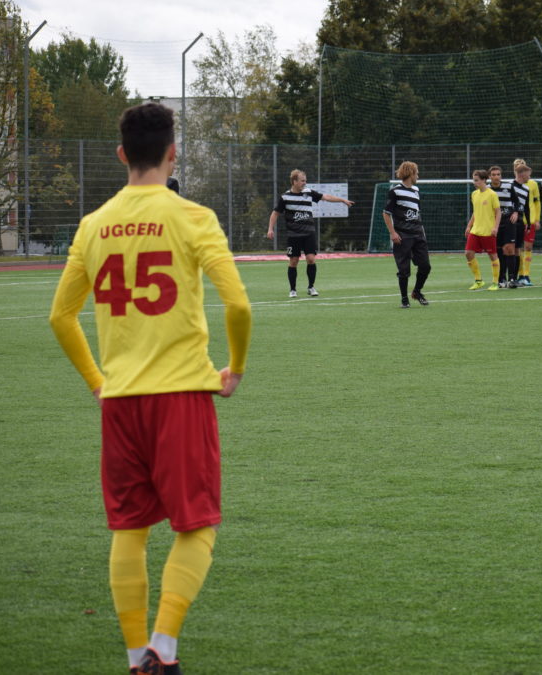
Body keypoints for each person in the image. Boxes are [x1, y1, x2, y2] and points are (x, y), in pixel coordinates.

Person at [48, 102, 253, 675]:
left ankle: (136, 655)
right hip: (182, 395)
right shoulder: (192, 216)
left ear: (122, 155)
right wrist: (235, 368)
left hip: (121, 403)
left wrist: (97, 382)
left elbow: (60, 317)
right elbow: (238, 304)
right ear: (173, 154)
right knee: (197, 526)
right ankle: (164, 646)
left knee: (130, 527)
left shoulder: (93, 224)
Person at [266, 169, 354, 298]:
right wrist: (270, 229)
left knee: (311, 259)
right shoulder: (285, 197)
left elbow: (326, 197)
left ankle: (311, 287)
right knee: (294, 261)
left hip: (309, 233)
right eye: (302, 181)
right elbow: (275, 213)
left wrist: (342, 200)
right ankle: (293, 290)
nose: (305, 183)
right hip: (293, 235)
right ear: (294, 181)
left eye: (305, 181)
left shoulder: (308, 192)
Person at [382, 161, 431, 308]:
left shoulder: (416, 190)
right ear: (411, 173)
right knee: (404, 270)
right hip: (403, 236)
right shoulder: (395, 191)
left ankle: (417, 291)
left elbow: (417, 213)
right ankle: (404, 299)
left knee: (425, 266)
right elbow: (386, 213)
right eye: (417, 173)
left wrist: (422, 232)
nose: (418, 176)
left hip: (418, 235)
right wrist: (393, 233)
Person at [464, 169, 502, 290]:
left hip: (488, 231)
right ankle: (478, 280)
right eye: (474, 180)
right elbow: (475, 212)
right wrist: (469, 226)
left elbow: (498, 212)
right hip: (475, 230)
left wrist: (495, 227)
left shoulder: (492, 194)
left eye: (477, 180)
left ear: (484, 180)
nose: (474, 182)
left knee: (492, 256)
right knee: (468, 253)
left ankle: (495, 282)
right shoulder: (474, 194)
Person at [488, 165, 517, 288]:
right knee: (498, 250)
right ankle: (501, 279)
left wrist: (516, 212)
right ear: (489, 176)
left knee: (509, 249)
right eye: (494, 175)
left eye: (498, 174)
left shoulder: (508, 186)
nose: (496, 177)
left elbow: (517, 201)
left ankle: (512, 279)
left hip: (508, 221)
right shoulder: (487, 190)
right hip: (494, 223)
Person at [514, 159, 540, 286]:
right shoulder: (511, 185)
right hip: (517, 221)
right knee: (517, 248)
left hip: (530, 220)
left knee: (528, 247)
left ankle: (526, 275)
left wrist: (537, 219)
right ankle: (520, 275)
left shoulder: (533, 184)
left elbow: (537, 202)